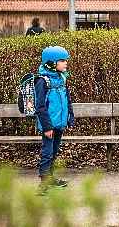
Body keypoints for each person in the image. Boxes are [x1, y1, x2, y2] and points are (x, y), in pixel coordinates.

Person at [36, 46, 75, 194]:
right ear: (52, 63)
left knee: (54, 151)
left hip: (59, 123)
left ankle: (50, 178)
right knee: (47, 152)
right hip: (49, 125)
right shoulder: (43, 81)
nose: (66, 63)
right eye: (62, 61)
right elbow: (40, 107)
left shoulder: (61, 78)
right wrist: (47, 127)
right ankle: (43, 183)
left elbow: (67, 100)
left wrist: (70, 117)